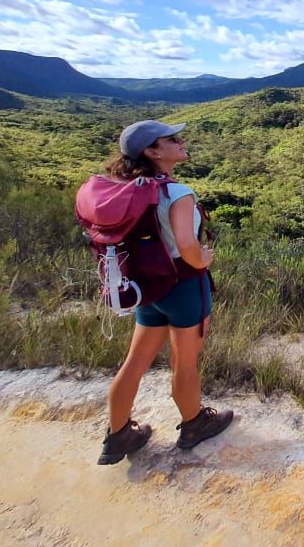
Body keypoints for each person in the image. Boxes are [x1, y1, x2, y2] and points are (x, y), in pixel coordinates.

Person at [98, 119, 234, 465]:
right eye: (172, 139)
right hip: (184, 286)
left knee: (135, 362)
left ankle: (117, 435)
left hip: (148, 287)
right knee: (184, 362)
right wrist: (202, 260)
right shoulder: (178, 193)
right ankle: (193, 424)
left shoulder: (127, 189)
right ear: (153, 151)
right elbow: (187, 245)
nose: (181, 141)